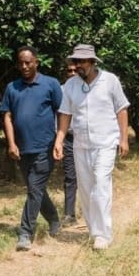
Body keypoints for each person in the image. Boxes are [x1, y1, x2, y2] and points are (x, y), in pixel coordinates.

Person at [53, 44, 130, 251]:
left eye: (82, 61)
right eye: (76, 61)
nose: (78, 65)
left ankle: (103, 234)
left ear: (93, 62)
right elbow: (65, 114)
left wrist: (124, 139)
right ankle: (93, 230)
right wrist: (59, 140)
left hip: (105, 142)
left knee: (101, 185)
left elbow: (122, 109)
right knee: (86, 190)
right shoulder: (70, 86)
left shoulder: (110, 81)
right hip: (80, 144)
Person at [0, 46, 64, 252]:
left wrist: (59, 141)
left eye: (28, 62)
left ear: (37, 62)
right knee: (36, 190)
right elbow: (7, 116)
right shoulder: (12, 88)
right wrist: (11, 143)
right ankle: (54, 219)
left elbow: (63, 113)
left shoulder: (51, 84)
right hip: (22, 149)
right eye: (21, 63)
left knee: (34, 189)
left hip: (45, 147)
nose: (24, 66)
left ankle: (25, 233)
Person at [60, 60, 78, 225]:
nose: (72, 73)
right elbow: (58, 115)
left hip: (87, 139)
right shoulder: (61, 91)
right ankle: (69, 214)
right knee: (70, 176)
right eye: (69, 71)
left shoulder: (88, 88)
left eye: (75, 70)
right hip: (68, 139)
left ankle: (93, 212)